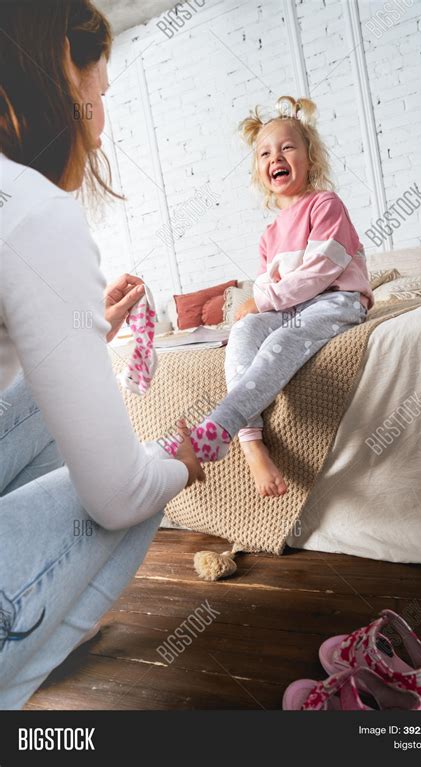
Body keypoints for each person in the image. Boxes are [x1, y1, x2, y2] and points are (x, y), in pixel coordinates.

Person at [0, 0, 203, 710]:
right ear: (61, 67)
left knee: (60, 412)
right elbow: (116, 494)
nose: (101, 115)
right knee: (140, 474)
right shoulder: (27, 206)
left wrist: (89, 331)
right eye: (101, 92)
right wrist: (182, 461)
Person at [163, 96, 374, 497]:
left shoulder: (325, 204)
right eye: (265, 152)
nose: (275, 156)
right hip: (292, 306)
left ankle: (219, 427)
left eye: (287, 147)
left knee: (279, 340)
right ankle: (252, 443)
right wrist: (256, 305)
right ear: (260, 171)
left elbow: (321, 270)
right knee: (245, 332)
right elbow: (266, 284)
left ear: (310, 159)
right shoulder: (269, 235)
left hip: (335, 300)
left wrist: (263, 300)